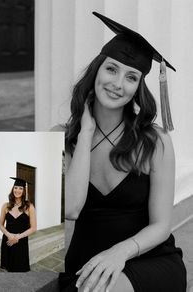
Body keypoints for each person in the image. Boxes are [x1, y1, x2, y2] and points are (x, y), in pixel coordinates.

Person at [57, 11, 187, 292]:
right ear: (97, 70)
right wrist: (86, 132)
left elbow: (161, 225)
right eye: (111, 69)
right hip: (87, 263)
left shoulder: (155, 141)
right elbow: (72, 209)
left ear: (138, 88)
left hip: (146, 258)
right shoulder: (62, 136)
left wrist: (119, 252)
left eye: (131, 77)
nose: (117, 84)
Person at [0, 177, 37, 272]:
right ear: (13, 189)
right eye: (15, 187)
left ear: (24, 191)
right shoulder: (5, 206)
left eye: (20, 188)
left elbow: (33, 228)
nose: (17, 190)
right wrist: (9, 235)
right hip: (8, 241)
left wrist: (17, 237)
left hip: (21, 242)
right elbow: (0, 225)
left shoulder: (29, 207)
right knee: (9, 268)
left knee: (20, 269)